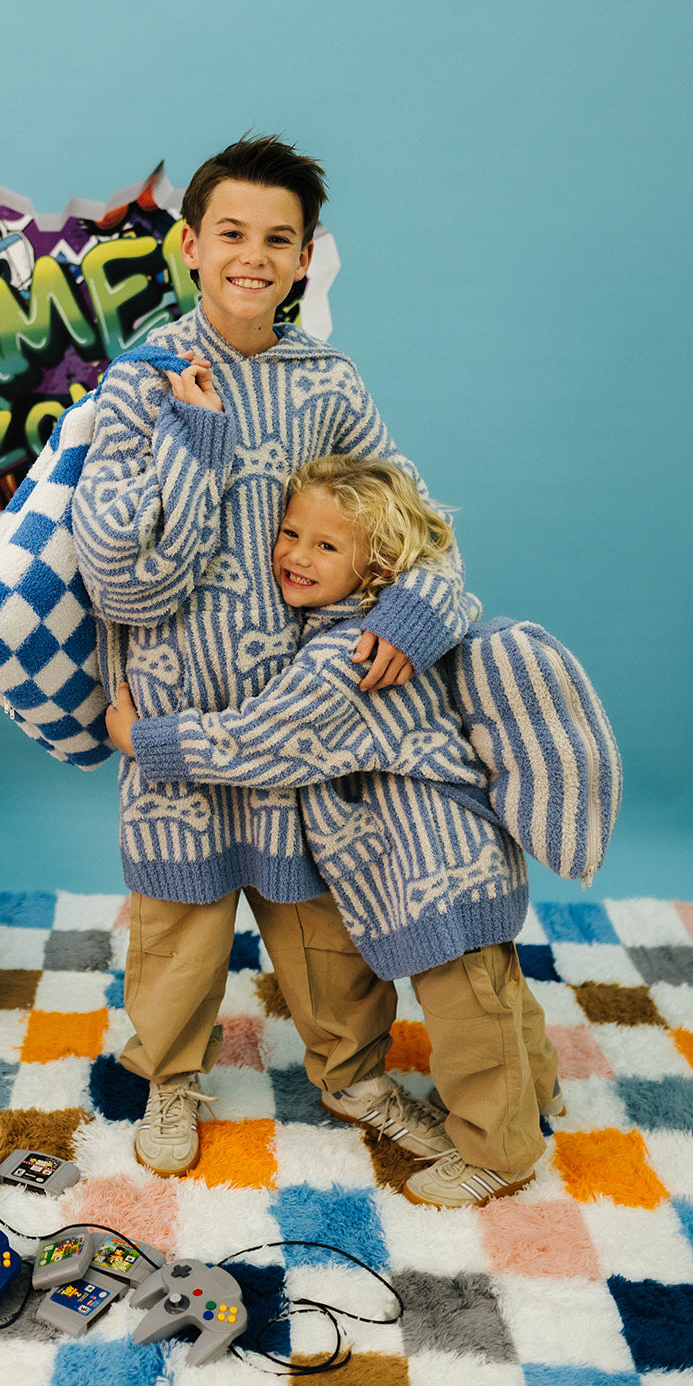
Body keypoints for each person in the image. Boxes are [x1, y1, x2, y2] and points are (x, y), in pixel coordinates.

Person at [71, 134, 473, 1179]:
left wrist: (415, 616)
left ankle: (353, 1073)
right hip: (173, 709)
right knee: (178, 922)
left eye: (277, 239)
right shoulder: (141, 384)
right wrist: (193, 443)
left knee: (324, 919)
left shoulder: (326, 384)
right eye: (232, 234)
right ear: (191, 246)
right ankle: (167, 1075)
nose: (252, 256)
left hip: (300, 716)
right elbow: (121, 578)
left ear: (304, 258)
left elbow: (415, 520)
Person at [106, 454, 562, 1208]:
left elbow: (258, 740)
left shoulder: (344, 654)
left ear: (377, 563)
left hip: (435, 857)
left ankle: (501, 1150)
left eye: (325, 545)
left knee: (469, 1013)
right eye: (289, 532)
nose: (293, 554)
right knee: (494, 992)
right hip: (451, 849)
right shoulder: (359, 627)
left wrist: (140, 739)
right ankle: (535, 1095)